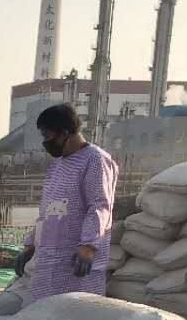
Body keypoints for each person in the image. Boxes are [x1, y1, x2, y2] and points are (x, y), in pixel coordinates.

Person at [14, 103, 118, 304]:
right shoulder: (57, 167)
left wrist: (88, 246)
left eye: (48, 136)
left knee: (74, 319)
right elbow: (46, 213)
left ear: (65, 132)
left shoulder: (95, 160)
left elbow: (99, 205)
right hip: (48, 264)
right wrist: (29, 246)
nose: (46, 142)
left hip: (77, 264)